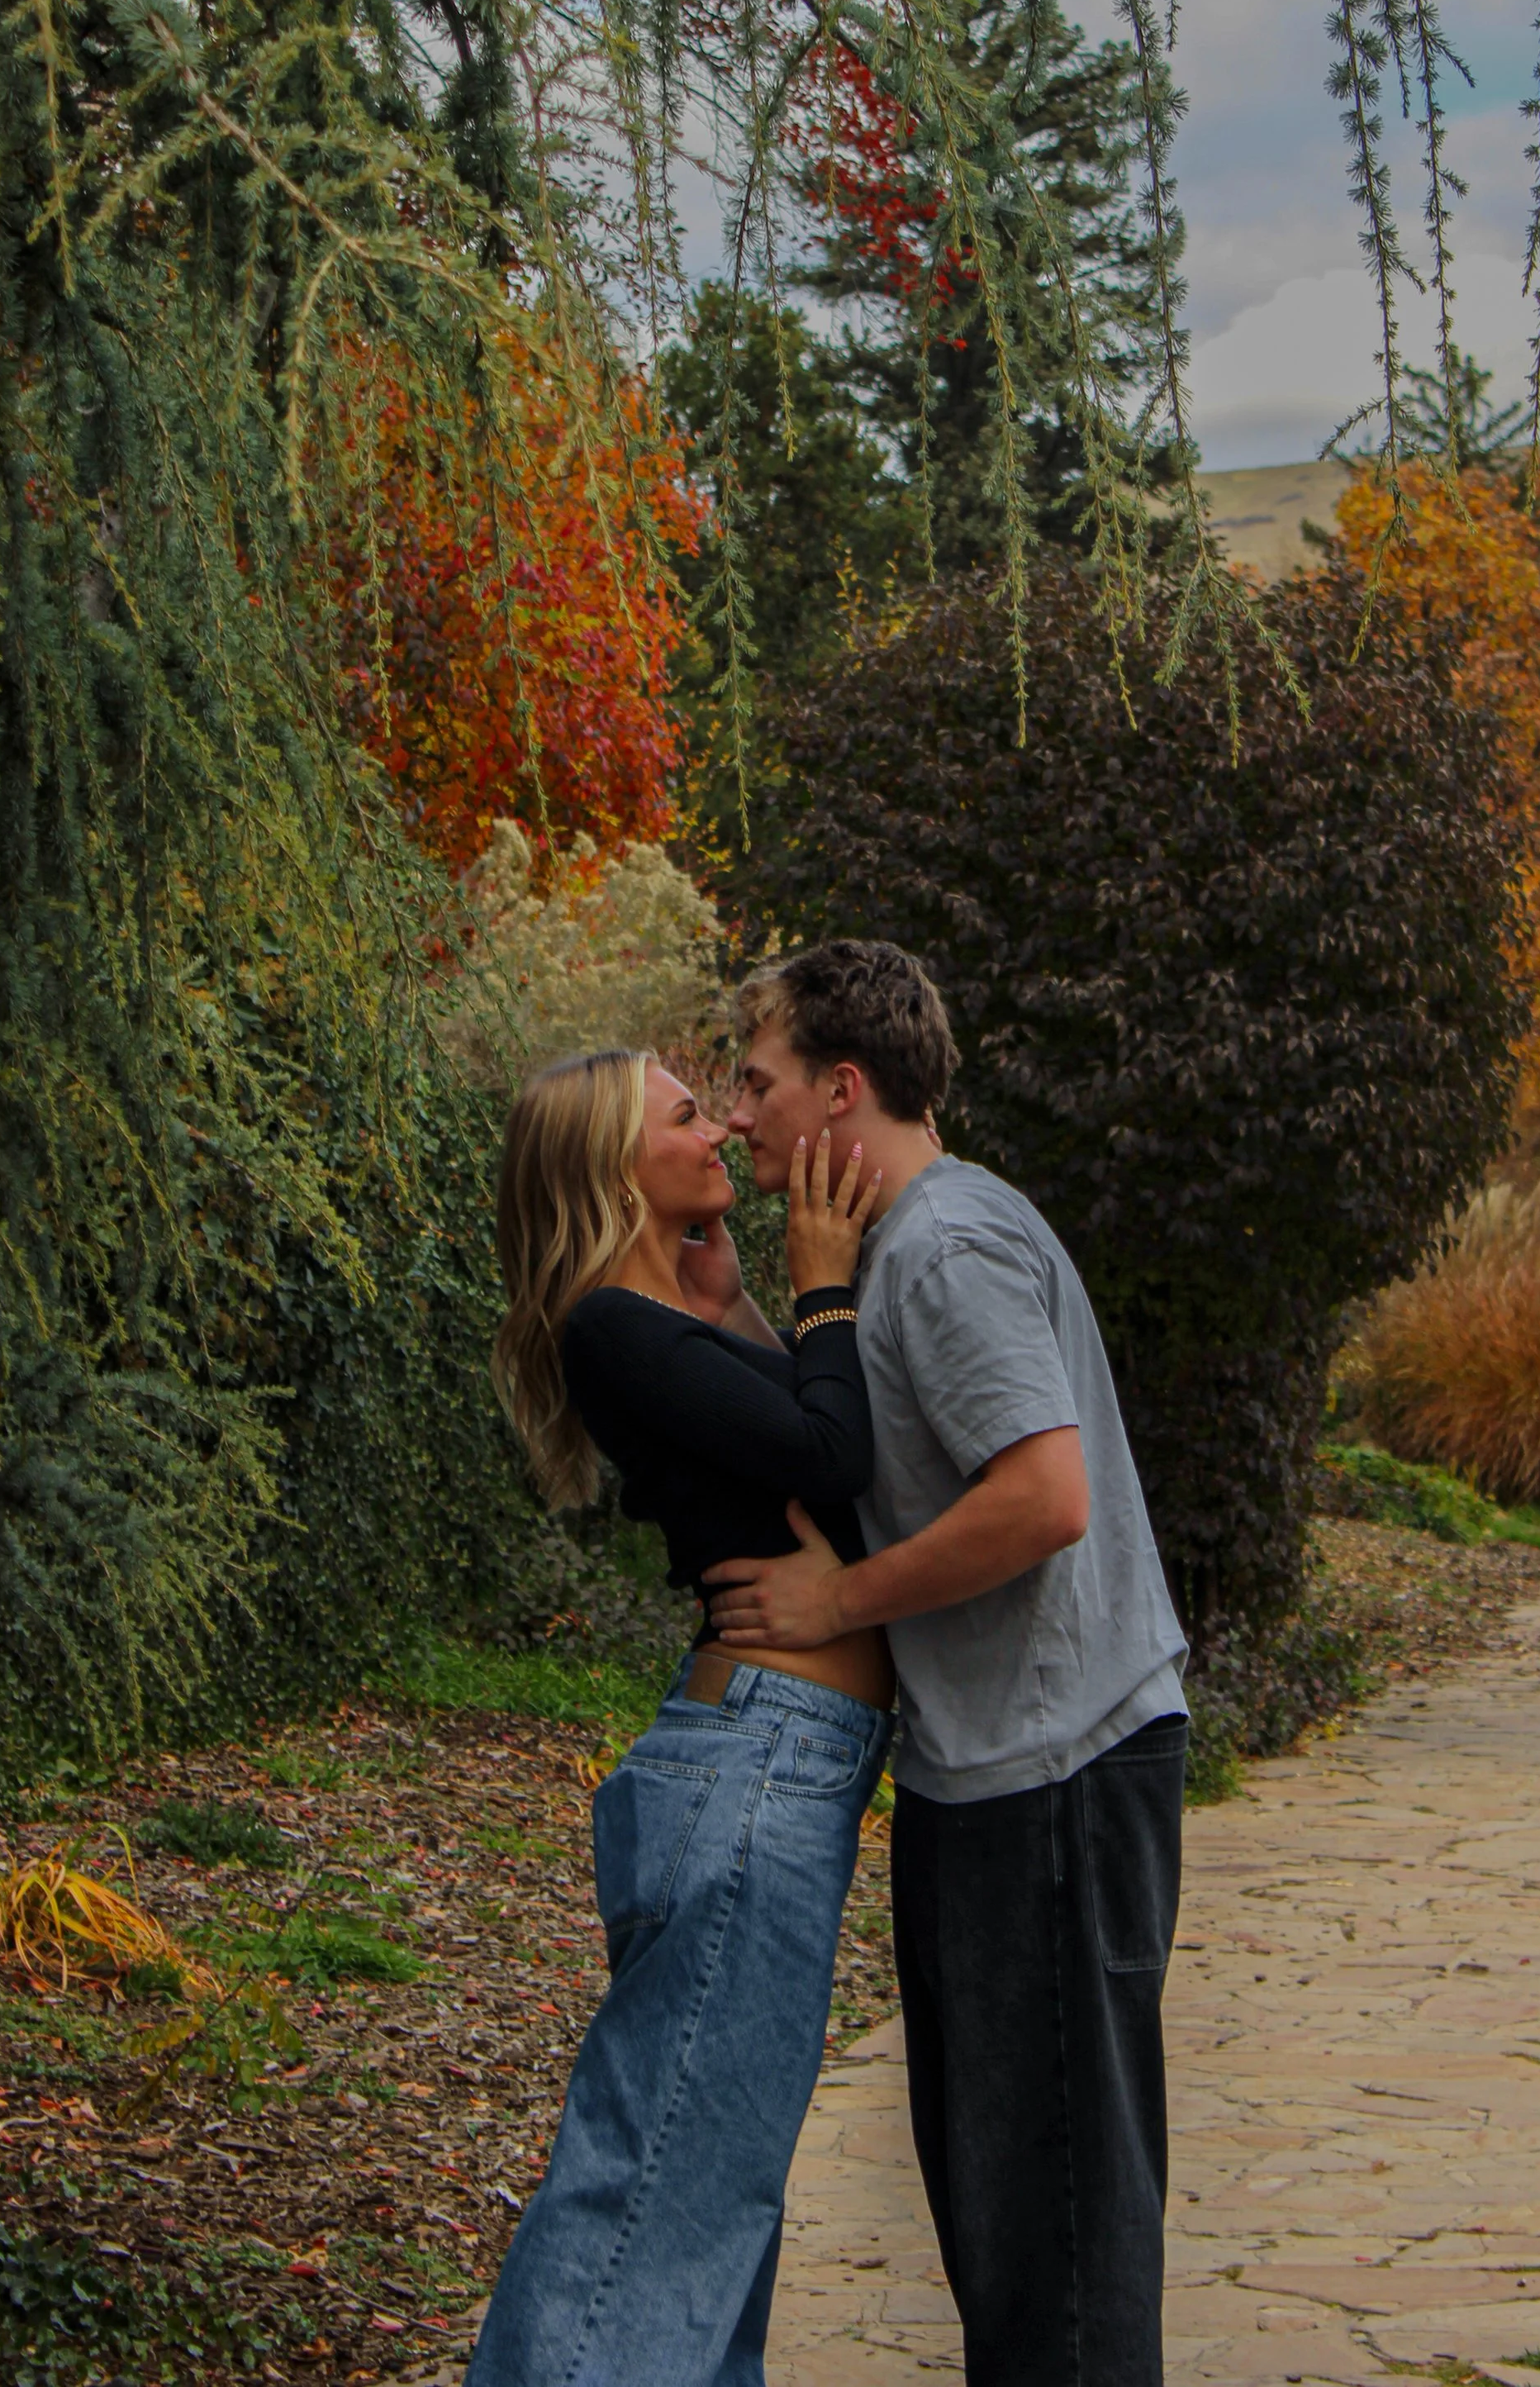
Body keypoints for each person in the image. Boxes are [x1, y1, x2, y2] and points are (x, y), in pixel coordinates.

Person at [708, 940, 1191, 2387]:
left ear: (840, 1088)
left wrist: (837, 1596)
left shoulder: (944, 1248)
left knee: (1053, 2245)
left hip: (1057, 1783)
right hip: (1001, 1781)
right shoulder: (905, 1247)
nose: (738, 1114)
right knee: (1009, 2228)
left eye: (758, 1078)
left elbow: (1045, 1495)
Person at [465, 1048, 891, 2387]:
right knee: (652, 2206)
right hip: (757, 1764)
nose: (721, 1129)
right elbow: (835, 1459)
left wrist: (749, 1303)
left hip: (780, 1767)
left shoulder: (672, 1319)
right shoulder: (607, 1324)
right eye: (687, 1114)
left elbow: (791, 1456)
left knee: (709, 2219)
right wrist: (824, 1277)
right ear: (613, 1165)